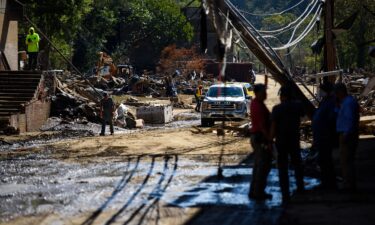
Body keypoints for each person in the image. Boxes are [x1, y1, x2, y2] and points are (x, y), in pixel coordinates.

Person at [270, 85, 305, 203]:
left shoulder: (277, 109)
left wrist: (269, 140)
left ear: (282, 96)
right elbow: (303, 114)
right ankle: (300, 188)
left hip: (281, 142)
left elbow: (273, 128)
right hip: (294, 140)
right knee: (297, 164)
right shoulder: (298, 106)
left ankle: (285, 193)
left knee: (283, 168)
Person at [248, 84, 272, 200]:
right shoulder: (258, 105)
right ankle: (258, 192)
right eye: (263, 92)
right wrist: (269, 139)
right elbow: (262, 125)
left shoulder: (257, 103)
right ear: (257, 93)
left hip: (257, 136)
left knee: (258, 165)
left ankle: (254, 191)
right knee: (263, 166)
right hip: (260, 137)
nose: (265, 94)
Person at [334, 83, 360, 191]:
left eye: (336, 93)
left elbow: (350, 120)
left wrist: (345, 134)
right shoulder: (347, 102)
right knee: (347, 160)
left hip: (347, 135)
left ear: (340, 92)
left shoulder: (348, 103)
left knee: (346, 160)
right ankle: (349, 182)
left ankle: (348, 185)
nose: (335, 95)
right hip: (348, 134)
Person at [312, 82, 338, 190]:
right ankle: (326, 182)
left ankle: (329, 183)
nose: (320, 92)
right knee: (323, 160)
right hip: (321, 135)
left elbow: (331, 119)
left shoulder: (331, 102)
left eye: (322, 90)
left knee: (325, 160)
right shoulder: (325, 101)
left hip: (325, 136)